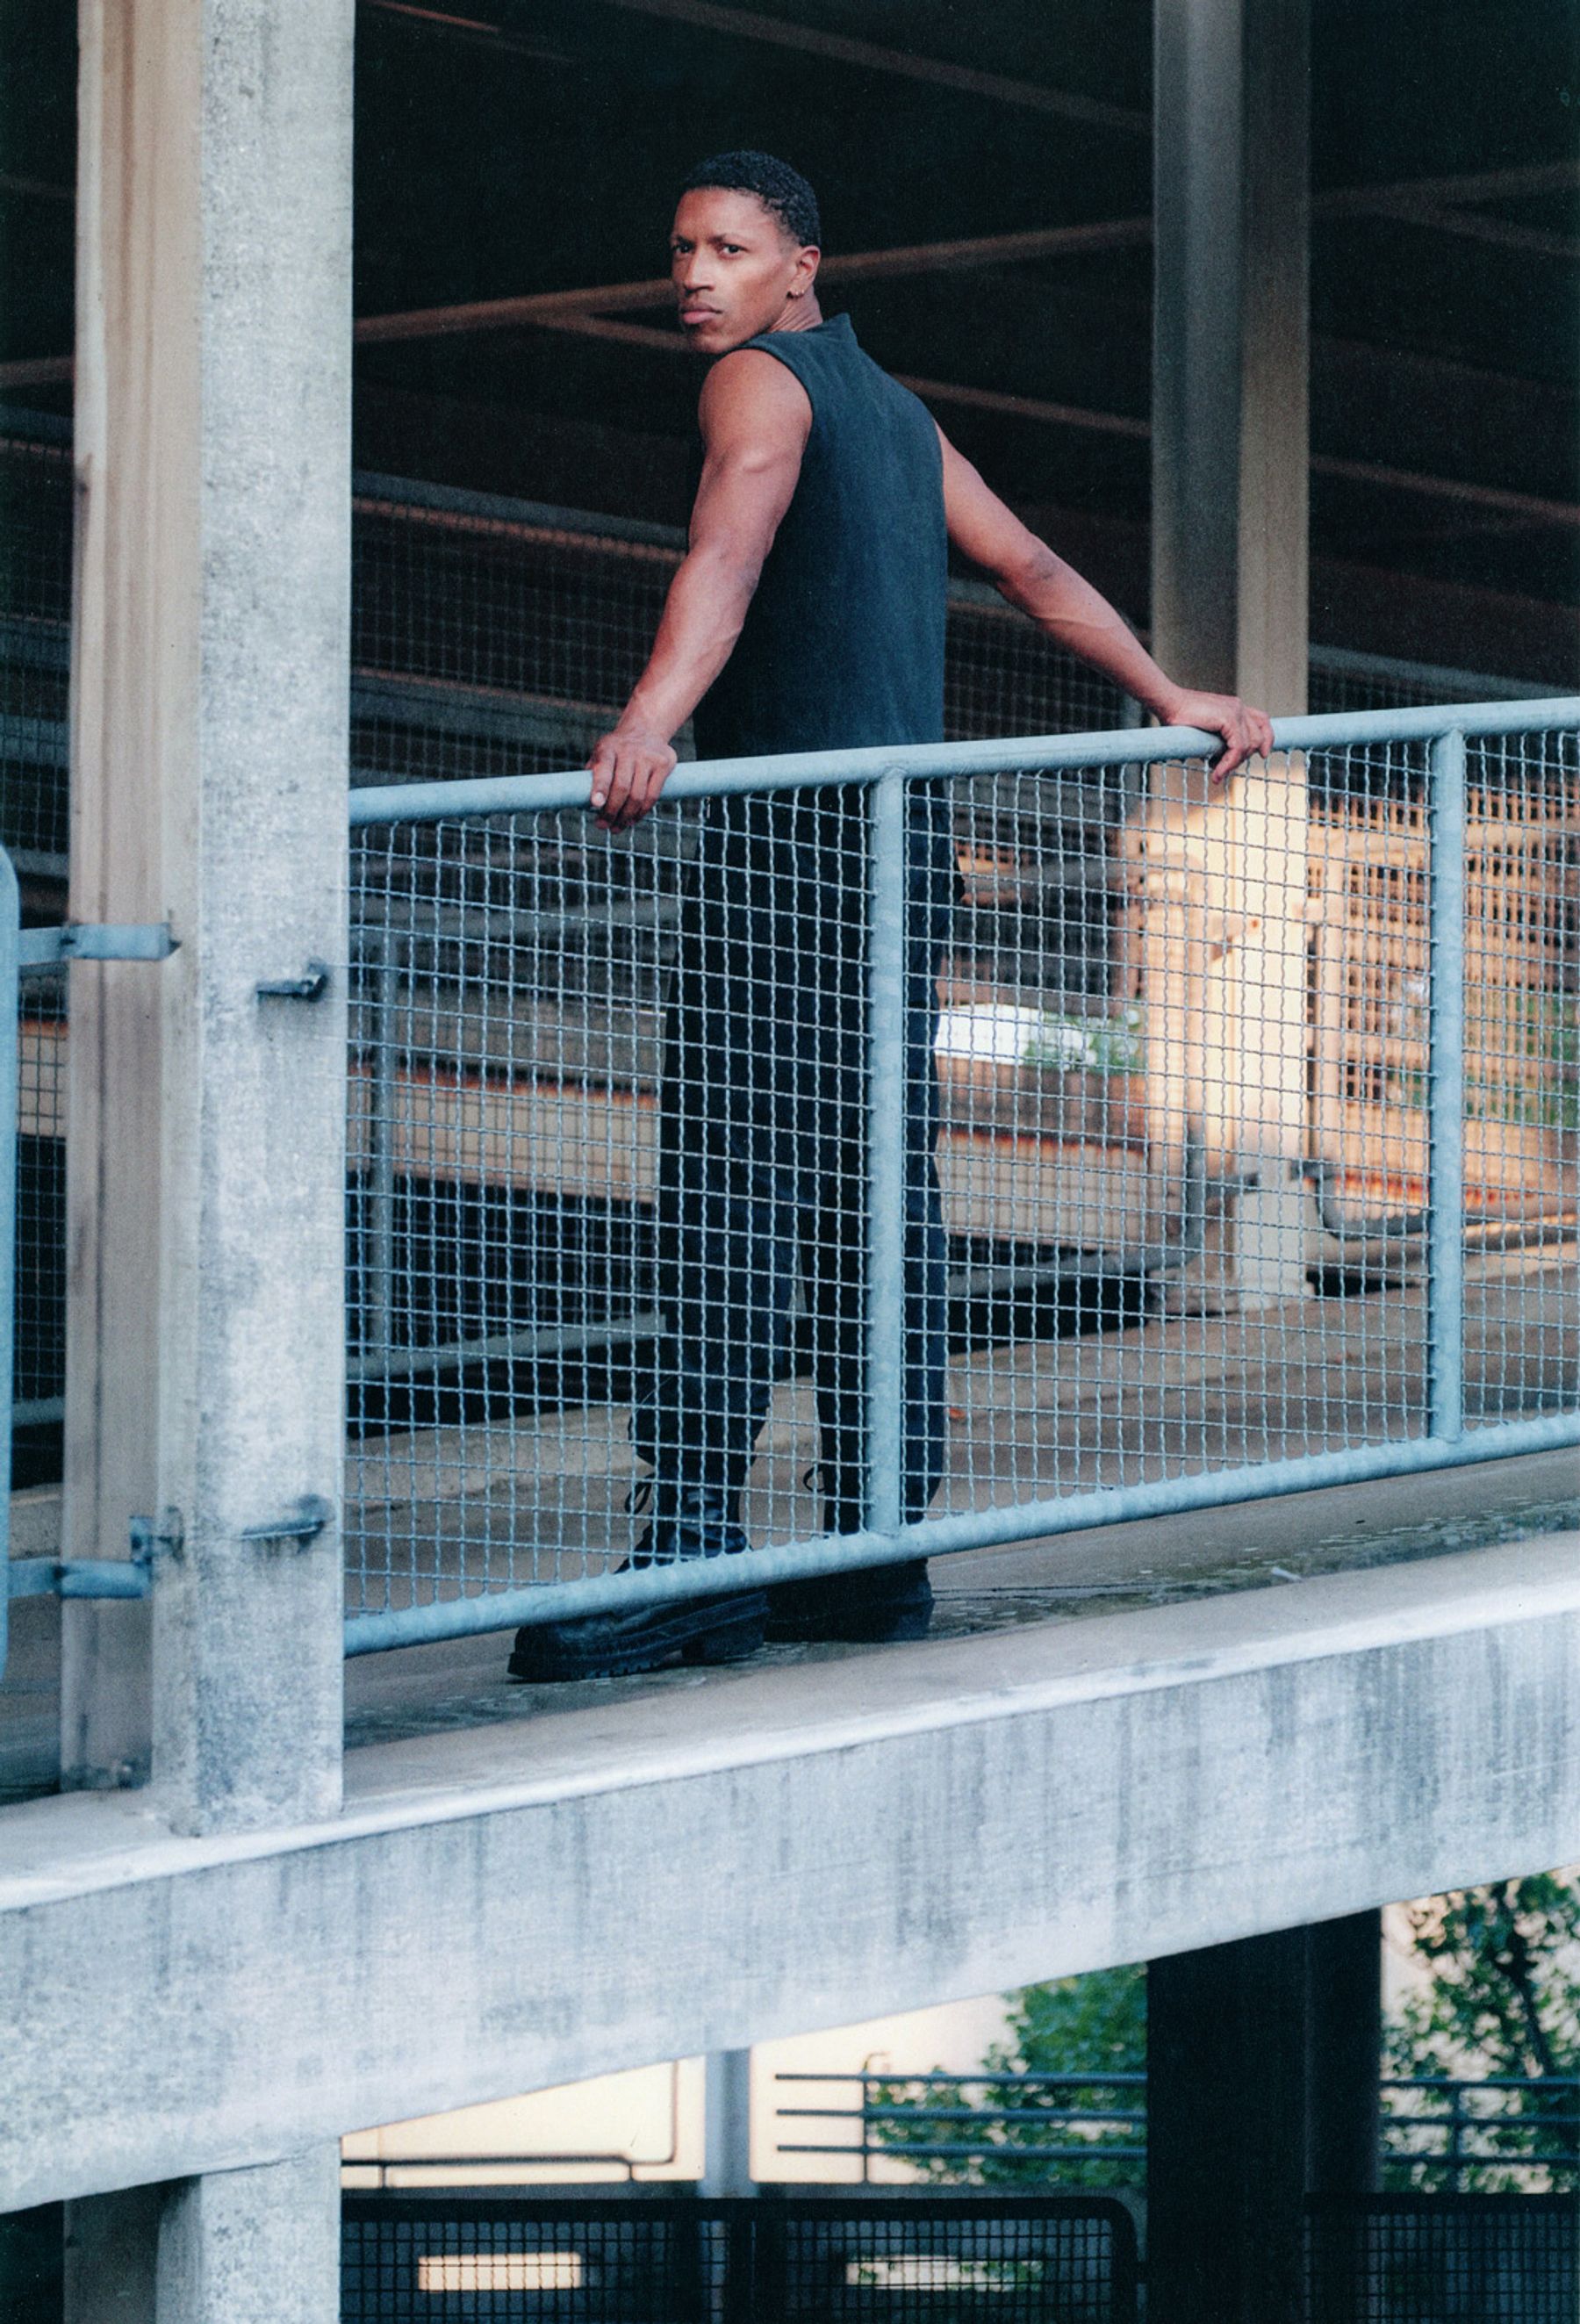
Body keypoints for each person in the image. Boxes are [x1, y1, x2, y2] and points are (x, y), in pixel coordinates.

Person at [508, 151, 1271, 1683]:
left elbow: (726, 557)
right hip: (901, 852)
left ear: (803, 265)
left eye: (728, 249)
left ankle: (693, 1556)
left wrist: (649, 722)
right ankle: (874, 1548)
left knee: (733, 1184)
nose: (694, 277)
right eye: (682, 249)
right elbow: (1029, 566)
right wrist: (1167, 691)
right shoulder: (896, 410)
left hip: (789, 844)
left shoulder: (759, 387)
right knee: (877, 1187)